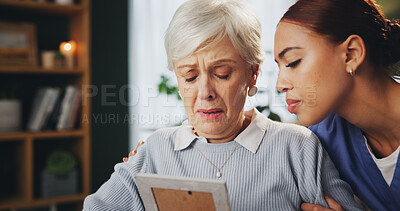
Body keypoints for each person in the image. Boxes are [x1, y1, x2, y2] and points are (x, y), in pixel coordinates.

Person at [84, 0, 363, 210]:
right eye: (190, 76)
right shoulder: (156, 150)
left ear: (252, 73)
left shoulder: (298, 147)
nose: (205, 92)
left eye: (222, 74)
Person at [274, 0, 400, 210]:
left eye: (294, 62)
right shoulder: (325, 139)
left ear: (351, 54)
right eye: (279, 67)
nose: (280, 85)